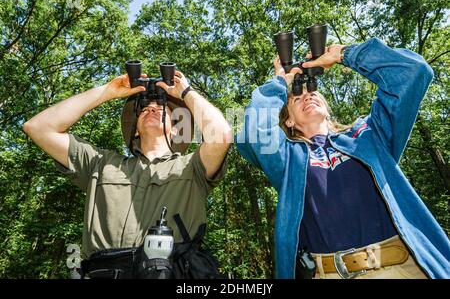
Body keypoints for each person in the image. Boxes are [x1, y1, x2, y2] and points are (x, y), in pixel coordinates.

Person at [236, 37, 450, 279]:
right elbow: (253, 133)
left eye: (313, 91)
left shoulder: (369, 137)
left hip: (401, 269)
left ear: (327, 109)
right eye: (296, 97)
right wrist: (279, 82)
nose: (307, 95)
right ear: (289, 121)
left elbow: (414, 72)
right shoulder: (287, 159)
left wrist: (342, 55)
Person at [23, 68, 232, 278]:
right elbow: (38, 127)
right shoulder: (101, 164)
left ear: (175, 129)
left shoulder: (192, 167)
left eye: (161, 107)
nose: (152, 108)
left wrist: (185, 92)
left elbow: (221, 134)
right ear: (136, 130)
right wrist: (106, 91)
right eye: (144, 109)